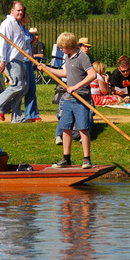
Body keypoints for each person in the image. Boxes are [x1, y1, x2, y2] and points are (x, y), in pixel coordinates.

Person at [40, 32, 96, 169]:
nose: (60, 49)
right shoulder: (68, 56)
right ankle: (66, 158)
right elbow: (65, 73)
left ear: (68, 46)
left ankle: (86, 159)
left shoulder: (83, 57)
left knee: (83, 128)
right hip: (68, 98)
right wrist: (47, 69)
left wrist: (76, 87)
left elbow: (93, 74)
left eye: (61, 47)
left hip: (81, 98)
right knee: (66, 128)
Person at [0, 1, 28, 122]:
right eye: (18, 10)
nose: (20, 12)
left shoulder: (18, 24)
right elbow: (3, 43)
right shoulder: (7, 23)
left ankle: (16, 117)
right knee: (18, 85)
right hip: (12, 60)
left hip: (20, 59)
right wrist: (2, 60)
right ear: (12, 11)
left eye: (22, 10)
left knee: (23, 88)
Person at [22, 8, 40, 122]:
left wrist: (33, 40)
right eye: (27, 15)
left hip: (29, 60)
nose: (28, 17)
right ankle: (3, 107)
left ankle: (31, 114)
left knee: (32, 88)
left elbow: (28, 43)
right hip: (21, 60)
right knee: (22, 88)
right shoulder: (18, 29)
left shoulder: (24, 29)